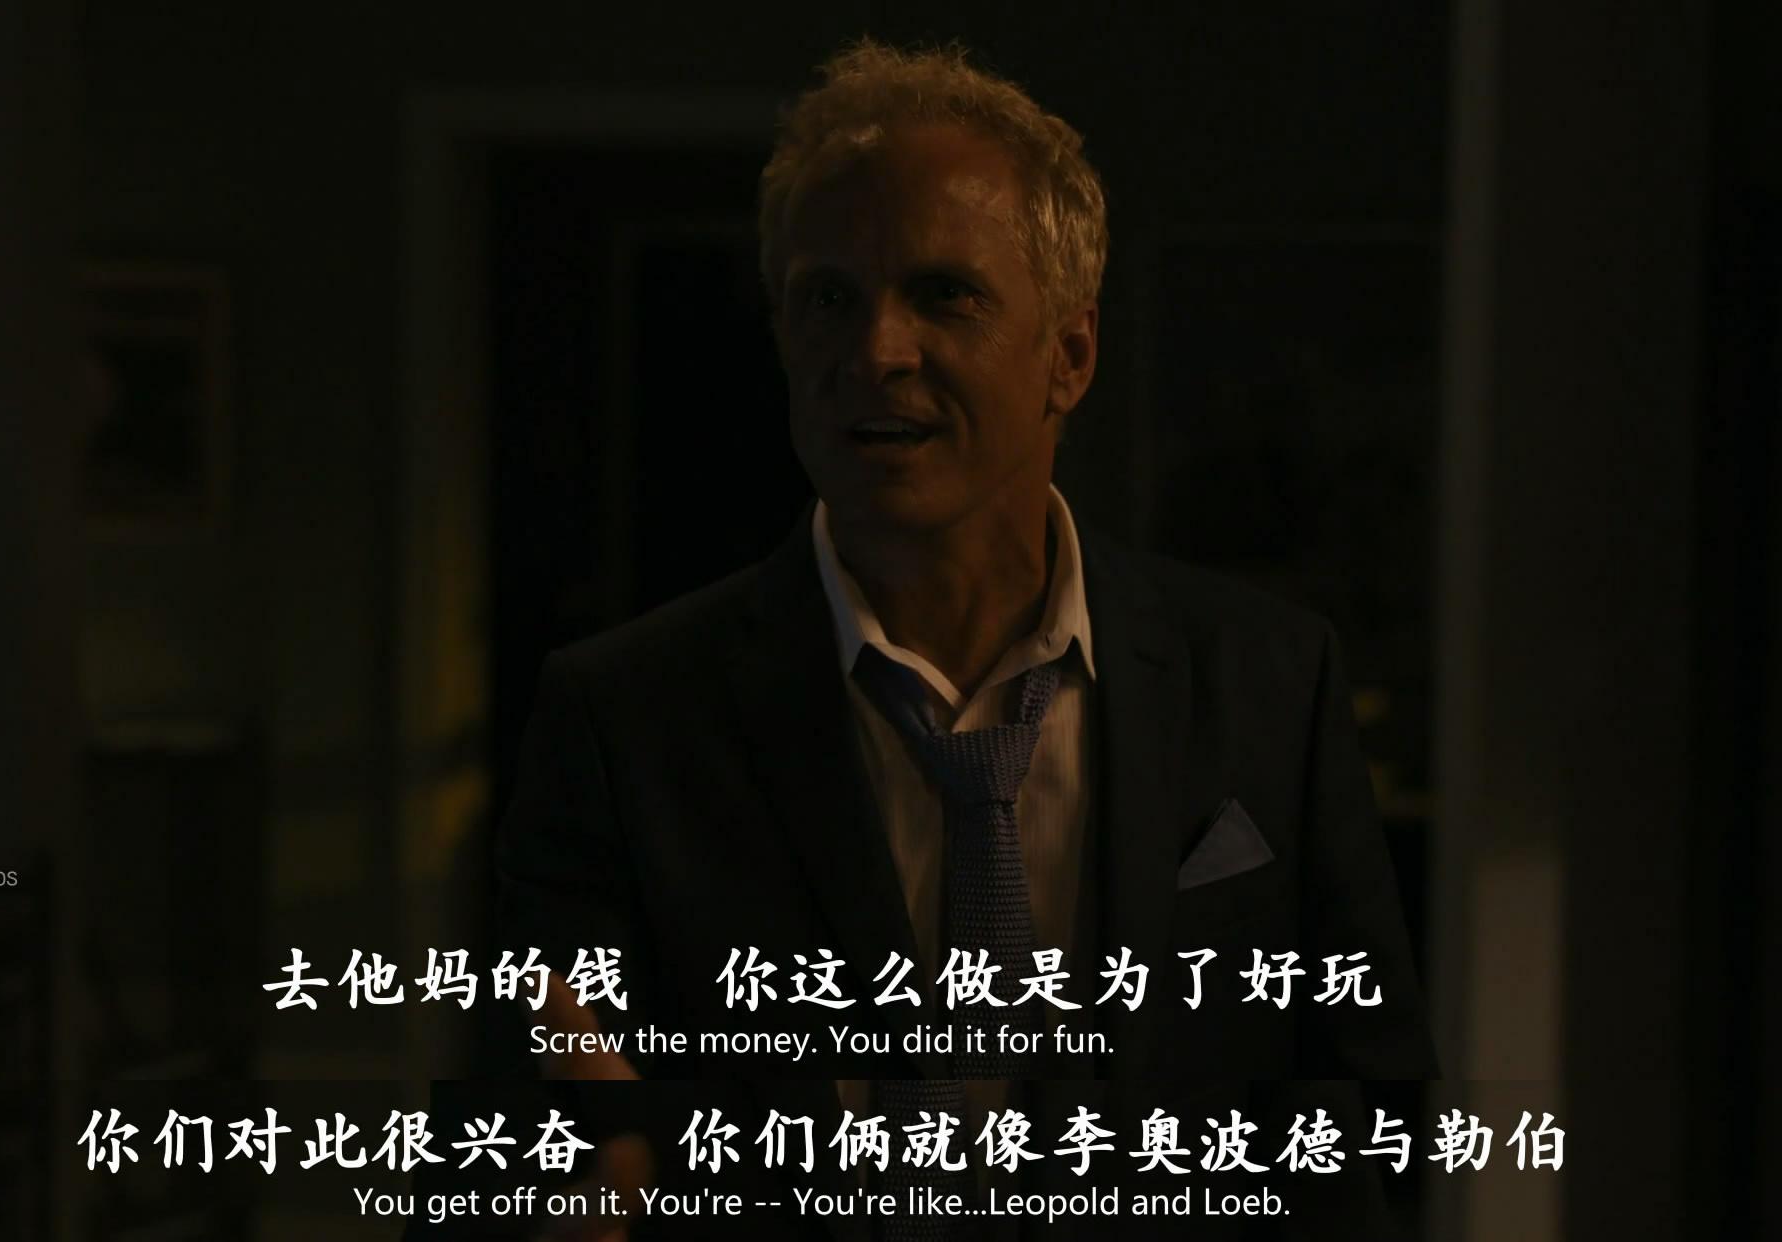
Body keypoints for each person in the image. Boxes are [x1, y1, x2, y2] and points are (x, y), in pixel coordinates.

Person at [479, 39, 1436, 1241]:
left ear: (1068, 356)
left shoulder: (1265, 682)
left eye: (944, 294)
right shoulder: (626, 719)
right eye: (828, 299)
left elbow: (1365, 1115)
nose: (876, 351)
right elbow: (511, 1142)